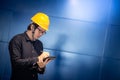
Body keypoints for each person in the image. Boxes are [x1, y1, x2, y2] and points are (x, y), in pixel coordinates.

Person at [9, 12, 51, 80]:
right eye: (40, 30)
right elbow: (16, 63)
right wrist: (38, 58)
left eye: (43, 32)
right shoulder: (17, 40)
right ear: (32, 27)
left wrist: (41, 67)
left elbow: (39, 71)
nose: (41, 34)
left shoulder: (40, 44)